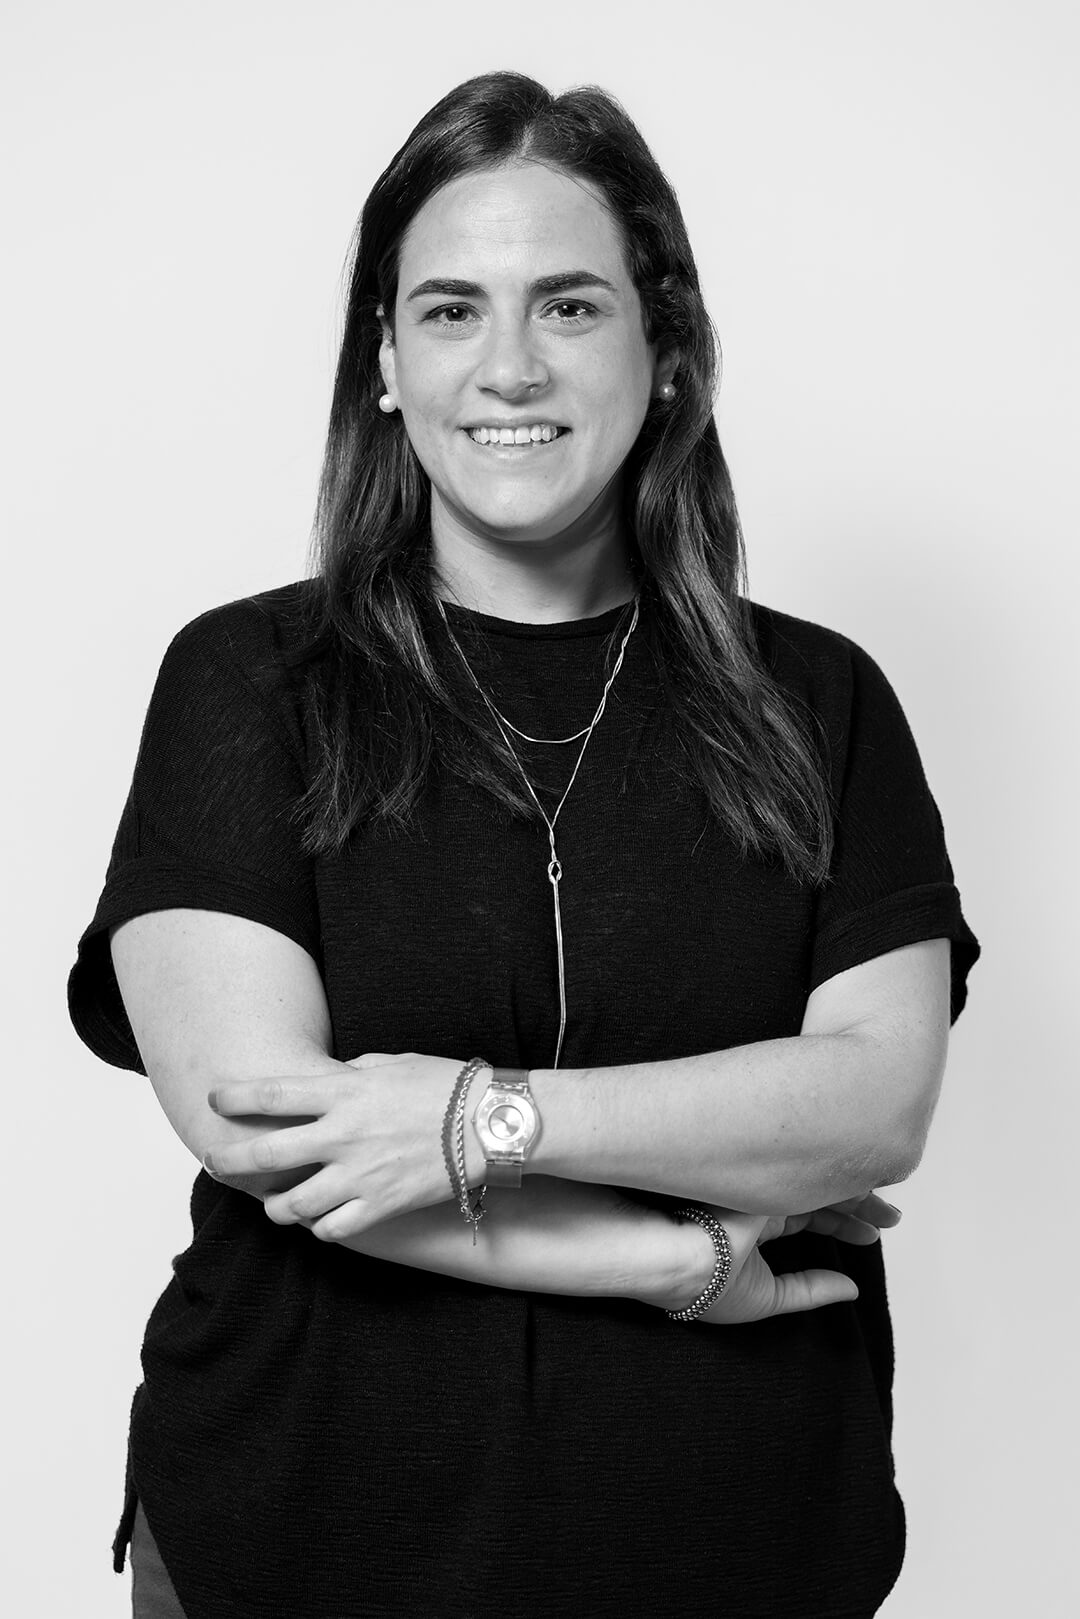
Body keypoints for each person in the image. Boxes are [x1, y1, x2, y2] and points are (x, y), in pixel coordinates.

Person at [69, 70, 980, 1619]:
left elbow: (873, 1105)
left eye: (567, 307)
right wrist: (662, 1257)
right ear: (384, 362)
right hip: (292, 1536)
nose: (507, 368)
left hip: (737, 1543)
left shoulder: (819, 701)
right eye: (448, 311)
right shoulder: (247, 683)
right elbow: (265, 1133)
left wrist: (471, 1121)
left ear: (666, 350)